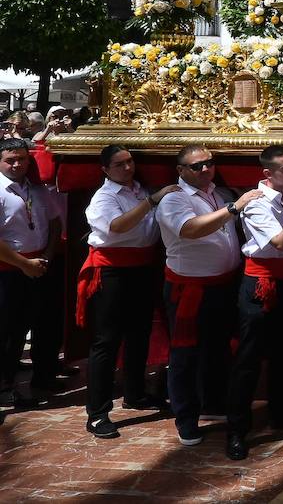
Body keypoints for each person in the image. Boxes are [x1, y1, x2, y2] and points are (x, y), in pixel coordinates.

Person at [156, 145, 254, 446]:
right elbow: (190, 229)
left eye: (209, 164)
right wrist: (234, 208)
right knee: (185, 355)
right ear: (181, 170)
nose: (205, 170)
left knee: (218, 348)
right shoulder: (174, 199)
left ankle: (213, 403)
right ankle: (186, 418)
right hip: (191, 289)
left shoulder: (218, 193)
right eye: (196, 166)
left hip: (223, 284)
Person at [79, 146, 172, 438]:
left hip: (142, 268)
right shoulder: (104, 197)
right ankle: (97, 412)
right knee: (106, 341)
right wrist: (150, 202)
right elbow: (116, 226)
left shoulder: (137, 190)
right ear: (105, 170)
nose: (127, 168)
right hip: (112, 271)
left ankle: (135, 393)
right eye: (119, 165)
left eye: (130, 162)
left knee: (138, 333)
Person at [226, 146, 283, 459]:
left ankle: (282, 412)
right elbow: (280, 241)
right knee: (249, 357)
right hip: (260, 282)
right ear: (268, 174)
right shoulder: (256, 202)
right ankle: (237, 429)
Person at [0, 138, 65, 407]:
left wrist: (47, 256)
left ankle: (43, 376)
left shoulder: (37, 190)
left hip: (40, 265)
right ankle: (4, 387)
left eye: (22, 159)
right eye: (10, 160)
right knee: (8, 332)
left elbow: (54, 223)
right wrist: (24, 264)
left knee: (43, 322)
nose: (17, 164)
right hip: (9, 270)